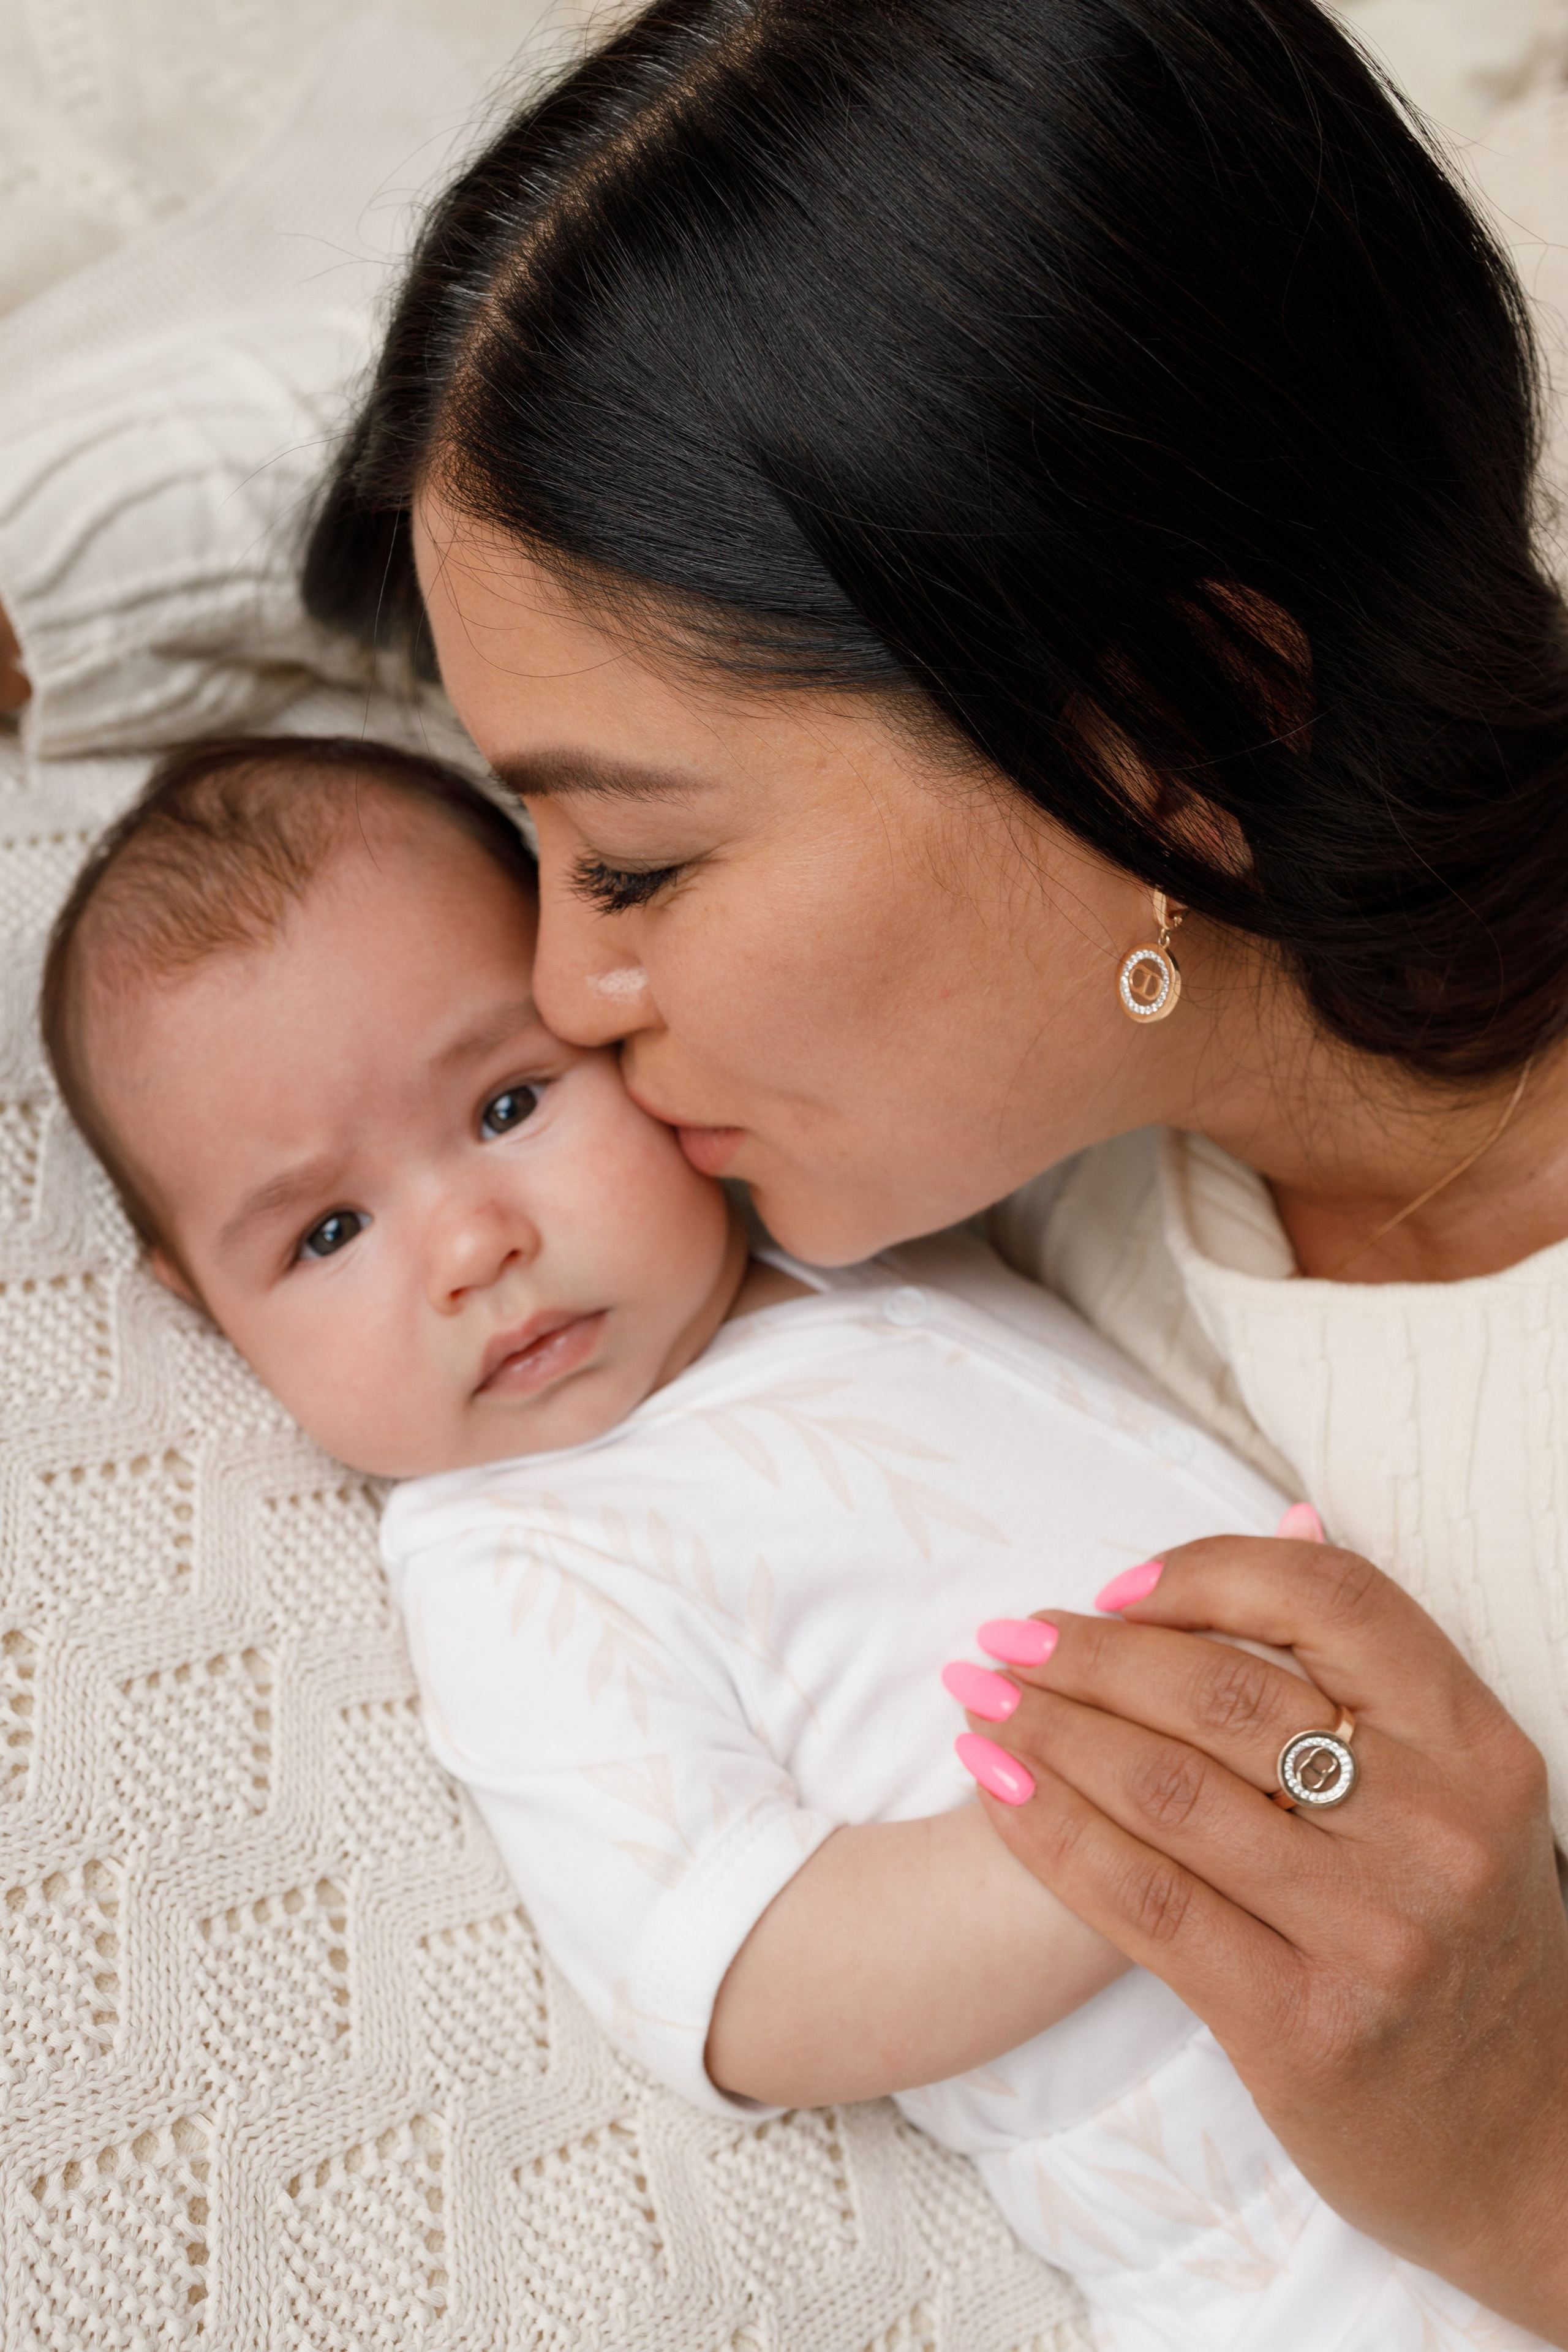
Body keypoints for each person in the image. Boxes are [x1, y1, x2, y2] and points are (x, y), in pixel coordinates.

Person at [288, 0, 1568, 2341]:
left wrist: (1523, 2166)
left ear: (1182, 730)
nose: (558, 1003)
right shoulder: (1018, 1191)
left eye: (638, 867)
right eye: (527, 843)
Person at [51, 739, 1479, 2352]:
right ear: (208, 1310)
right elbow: (738, 1975)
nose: (472, 1244)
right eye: (327, 1233)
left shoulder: (836, 1216)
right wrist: (1126, 1834)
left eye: (510, 1103)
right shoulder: (514, 1561)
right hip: (1282, 2234)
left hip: (1471, 1922)